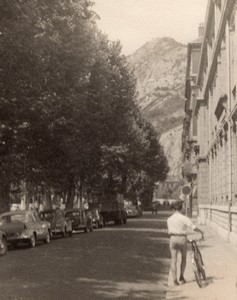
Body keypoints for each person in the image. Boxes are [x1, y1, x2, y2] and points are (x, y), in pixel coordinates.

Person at [167, 200, 204, 286]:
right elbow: (193, 227)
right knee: (183, 258)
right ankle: (181, 277)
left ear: (173, 209)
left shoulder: (169, 219)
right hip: (182, 238)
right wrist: (201, 231)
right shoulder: (184, 218)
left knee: (173, 259)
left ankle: (175, 280)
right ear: (181, 209)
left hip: (173, 238)